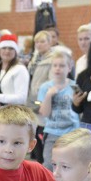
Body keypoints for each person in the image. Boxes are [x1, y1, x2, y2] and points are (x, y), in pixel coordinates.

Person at [37, 50, 80, 170]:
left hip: (72, 132)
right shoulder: (45, 87)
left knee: (70, 165)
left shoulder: (74, 86)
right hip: (52, 132)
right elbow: (44, 113)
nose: (58, 69)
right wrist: (49, 95)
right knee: (49, 165)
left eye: (62, 66)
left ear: (69, 67)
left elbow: (79, 110)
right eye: (55, 65)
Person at [28, 30, 56, 164]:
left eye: (42, 41)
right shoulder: (35, 58)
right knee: (35, 138)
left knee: (42, 137)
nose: (38, 45)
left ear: (50, 43)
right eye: (36, 42)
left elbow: (52, 83)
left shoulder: (52, 60)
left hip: (42, 102)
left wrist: (43, 102)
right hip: (32, 100)